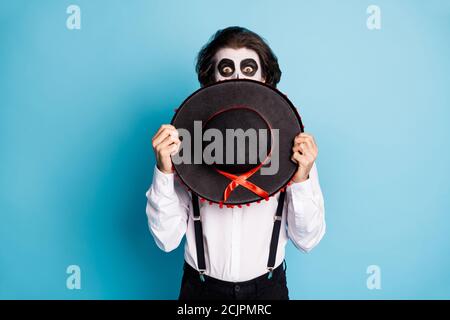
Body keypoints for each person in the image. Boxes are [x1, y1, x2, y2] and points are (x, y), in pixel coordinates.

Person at [146, 26, 325, 300]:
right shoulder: (186, 142)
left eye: (250, 68)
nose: (239, 77)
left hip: (268, 290)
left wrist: (301, 178)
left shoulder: (291, 144)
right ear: (211, 80)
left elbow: (307, 240)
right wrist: (164, 170)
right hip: (201, 292)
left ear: (265, 78)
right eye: (227, 69)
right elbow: (166, 240)